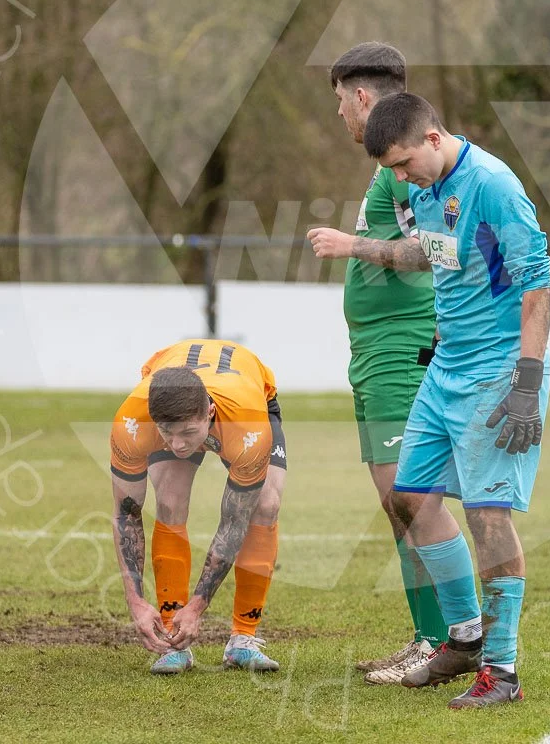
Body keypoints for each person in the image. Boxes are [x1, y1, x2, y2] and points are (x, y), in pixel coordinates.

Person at [361, 92, 550, 709]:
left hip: (497, 373)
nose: (398, 177)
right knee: (409, 497)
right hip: (445, 368)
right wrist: (358, 245)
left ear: (434, 136)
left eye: (402, 162)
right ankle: (465, 637)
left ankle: (503, 672)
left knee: (486, 515)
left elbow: (537, 285)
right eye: (389, 168)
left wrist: (527, 382)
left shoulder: (494, 184)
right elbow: (433, 252)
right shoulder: (422, 190)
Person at [304, 42, 449, 685]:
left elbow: (435, 248)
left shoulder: (405, 163)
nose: (339, 115)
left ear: (362, 96)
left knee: (411, 500)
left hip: (402, 346)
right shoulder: (388, 163)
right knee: (400, 504)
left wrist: (351, 246)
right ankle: (431, 638)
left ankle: (449, 640)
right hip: (376, 350)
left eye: (340, 101)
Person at [110, 339, 287, 674]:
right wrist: (135, 601)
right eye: (167, 433)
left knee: (265, 505)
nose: (177, 444)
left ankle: (243, 639)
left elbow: (234, 522)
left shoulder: (247, 425)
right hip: (177, 395)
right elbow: (126, 513)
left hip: (247, 400)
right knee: (169, 500)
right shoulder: (132, 423)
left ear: (207, 413)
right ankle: (172, 640)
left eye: (187, 433)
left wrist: (197, 606)